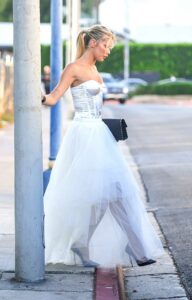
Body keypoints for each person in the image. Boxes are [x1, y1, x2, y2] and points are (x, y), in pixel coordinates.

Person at [42, 25, 164, 268]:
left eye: (109, 46)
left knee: (115, 191)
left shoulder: (94, 69)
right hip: (84, 136)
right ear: (92, 43)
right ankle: (104, 245)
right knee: (103, 193)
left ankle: (130, 247)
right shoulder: (74, 68)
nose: (108, 51)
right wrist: (37, 95)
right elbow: (54, 96)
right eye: (106, 45)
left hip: (100, 134)